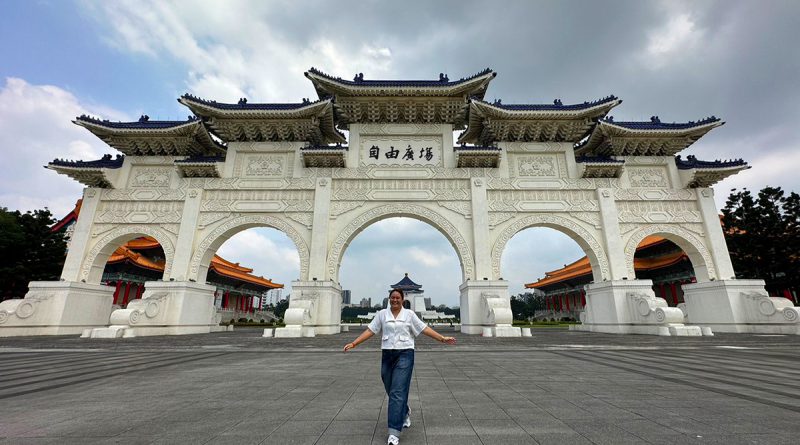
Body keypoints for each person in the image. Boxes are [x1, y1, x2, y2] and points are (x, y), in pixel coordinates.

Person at [343, 288, 456, 445]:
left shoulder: (409, 315)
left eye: (398, 297)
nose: (395, 300)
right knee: (389, 385)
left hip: (405, 354)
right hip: (387, 355)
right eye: (392, 297)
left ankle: (394, 433)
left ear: (403, 300)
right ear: (389, 299)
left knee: (397, 391)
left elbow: (424, 328)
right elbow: (371, 330)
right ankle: (404, 410)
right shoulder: (382, 314)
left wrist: (442, 338)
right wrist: (354, 343)